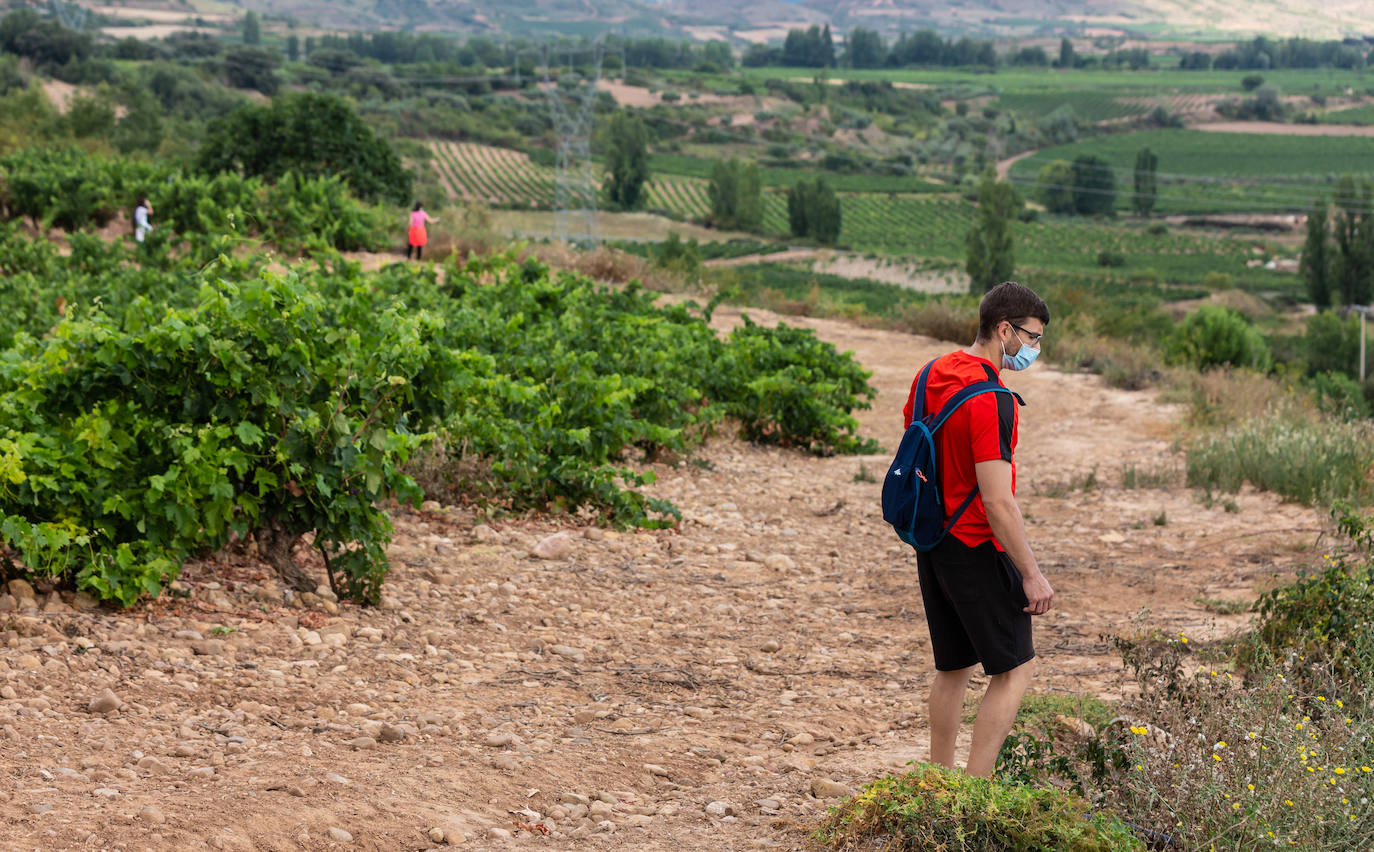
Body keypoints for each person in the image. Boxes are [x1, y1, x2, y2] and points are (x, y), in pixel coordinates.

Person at [900, 280, 1054, 778]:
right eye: (1031, 338)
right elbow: (997, 501)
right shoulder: (993, 399)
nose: (1034, 349)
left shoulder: (931, 374)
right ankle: (976, 790)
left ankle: (937, 783)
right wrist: (1030, 572)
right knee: (1014, 669)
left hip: (933, 542)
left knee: (953, 668)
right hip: (975, 545)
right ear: (1003, 329)